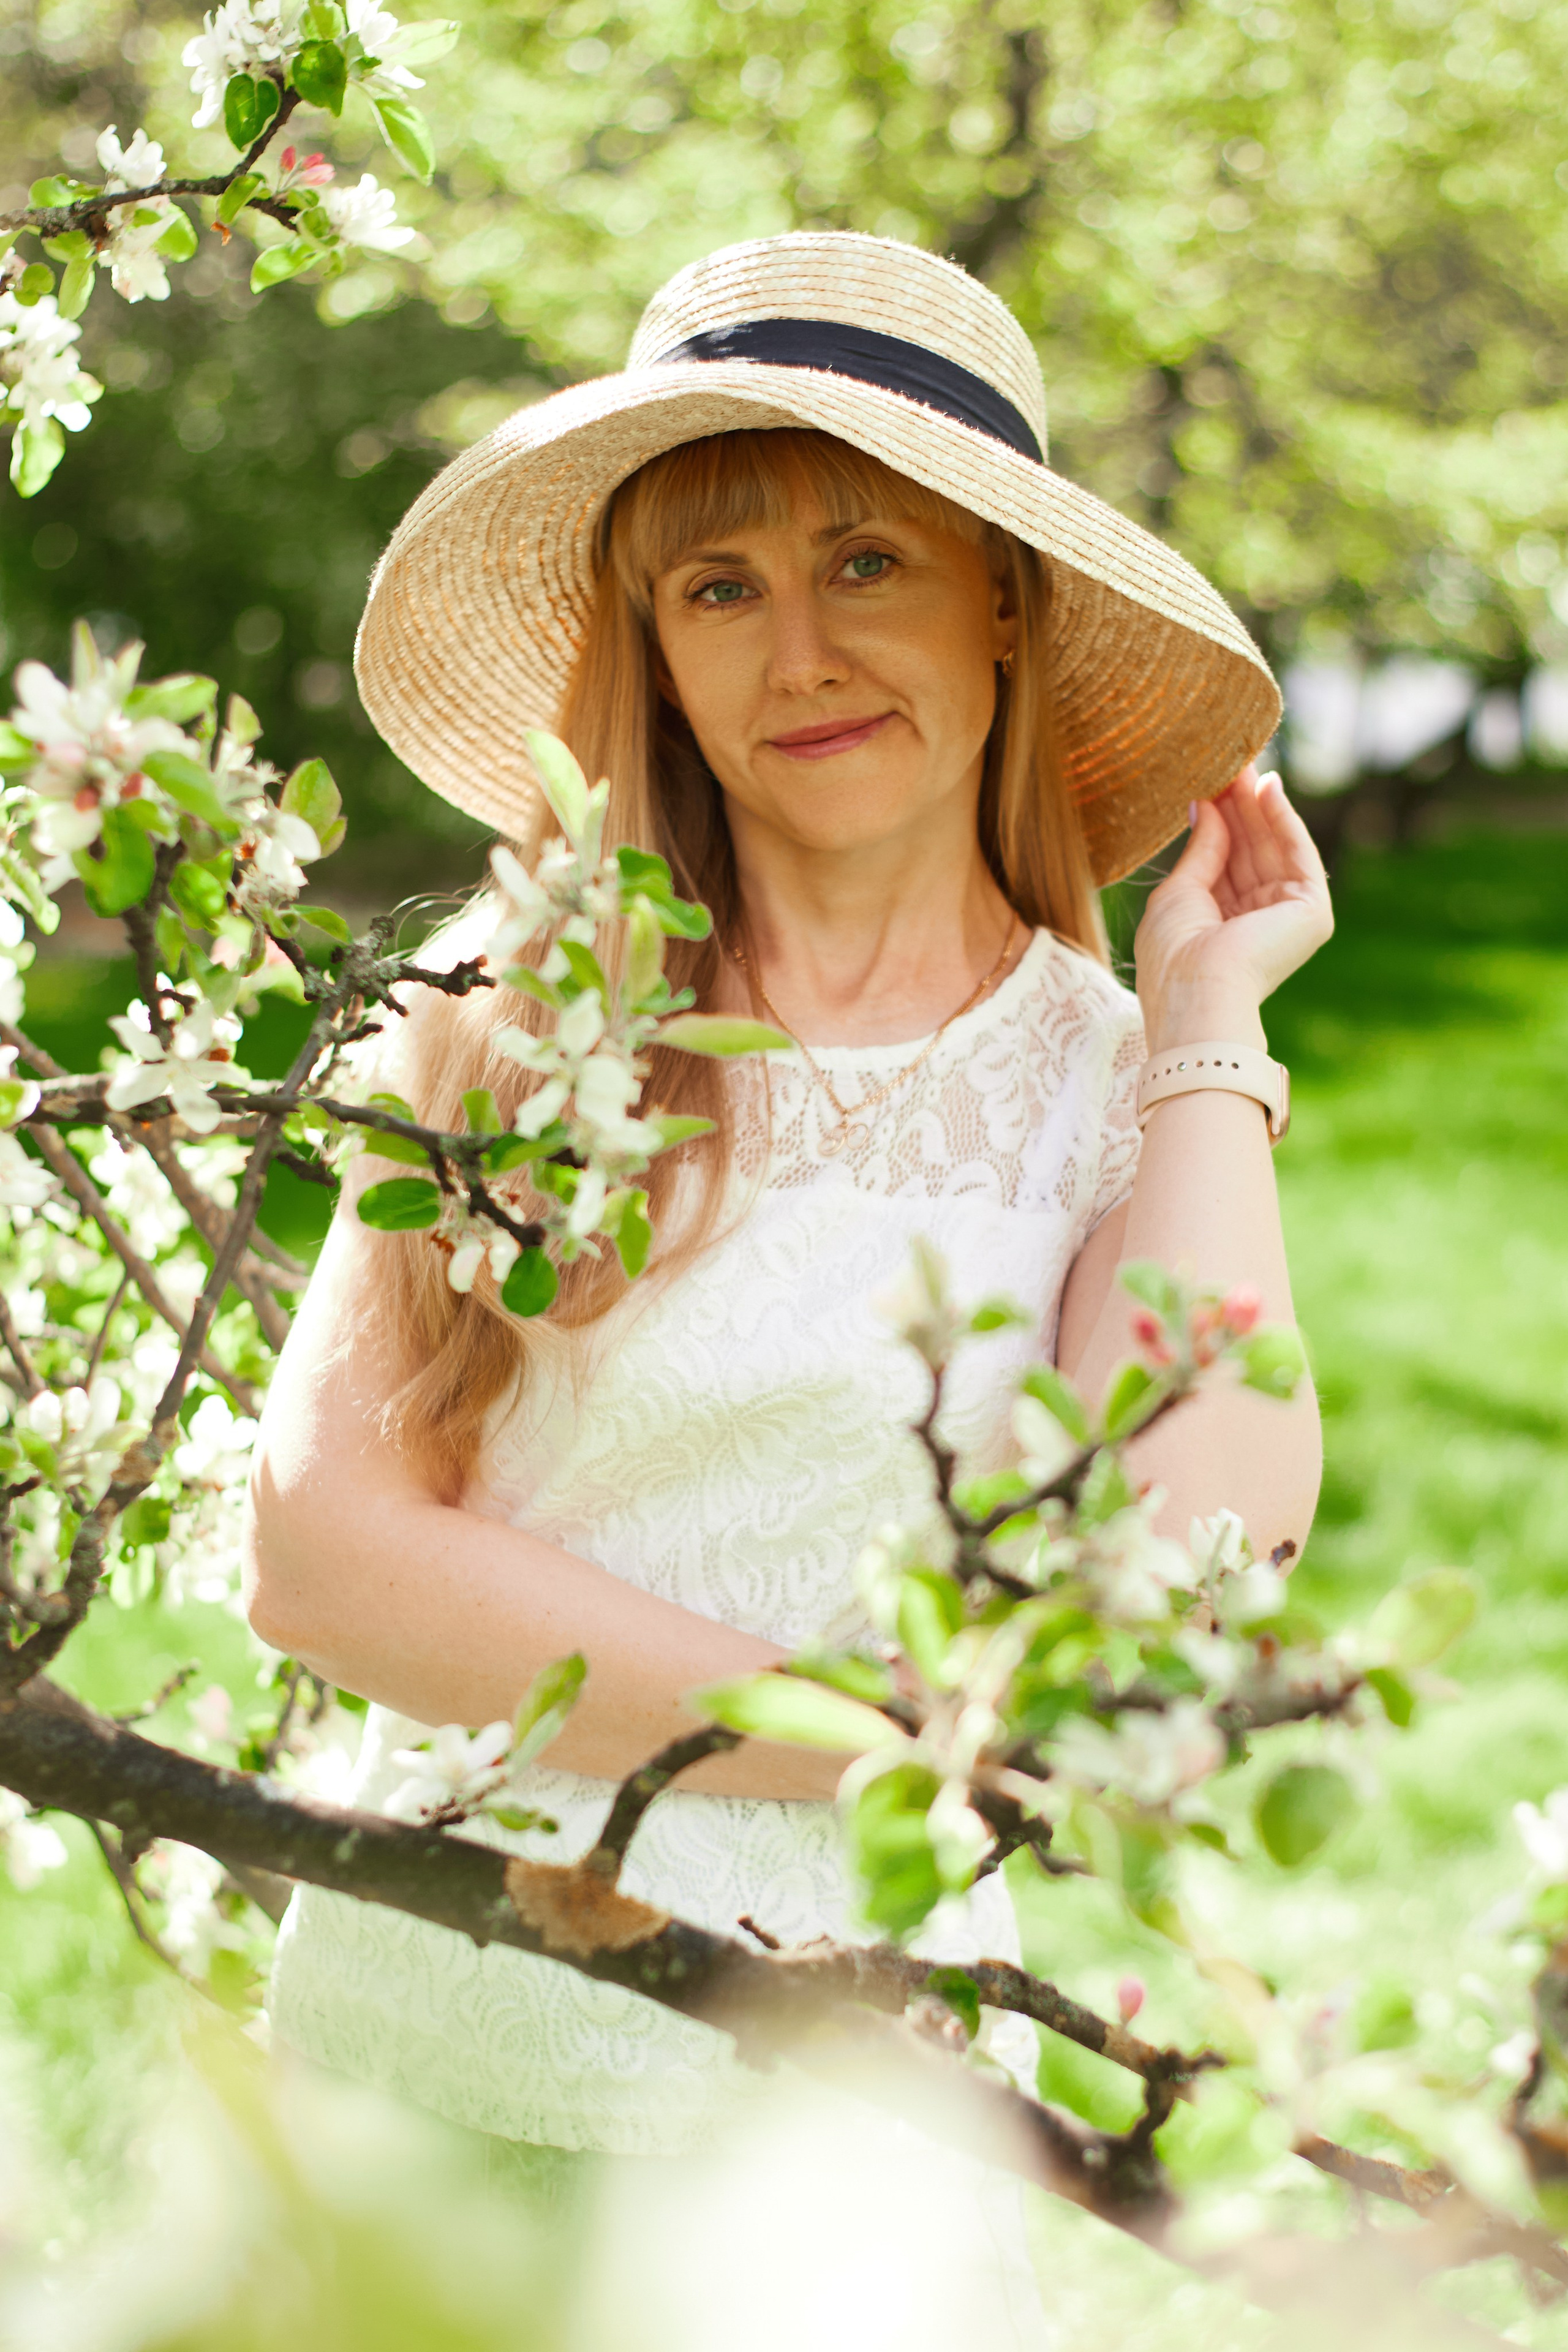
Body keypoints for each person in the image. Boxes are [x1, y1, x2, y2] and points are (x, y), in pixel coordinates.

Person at [244, 232, 1331, 2262]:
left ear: (1001, 601)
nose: (800, 654)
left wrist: (1208, 1030)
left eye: (867, 562)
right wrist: (892, 1739)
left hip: (857, 2131)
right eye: (720, 589)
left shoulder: (1114, 1089)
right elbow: (318, 1553)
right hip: (424, 2061)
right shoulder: (514, 1008)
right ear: (654, 649)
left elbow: (1188, 1565)